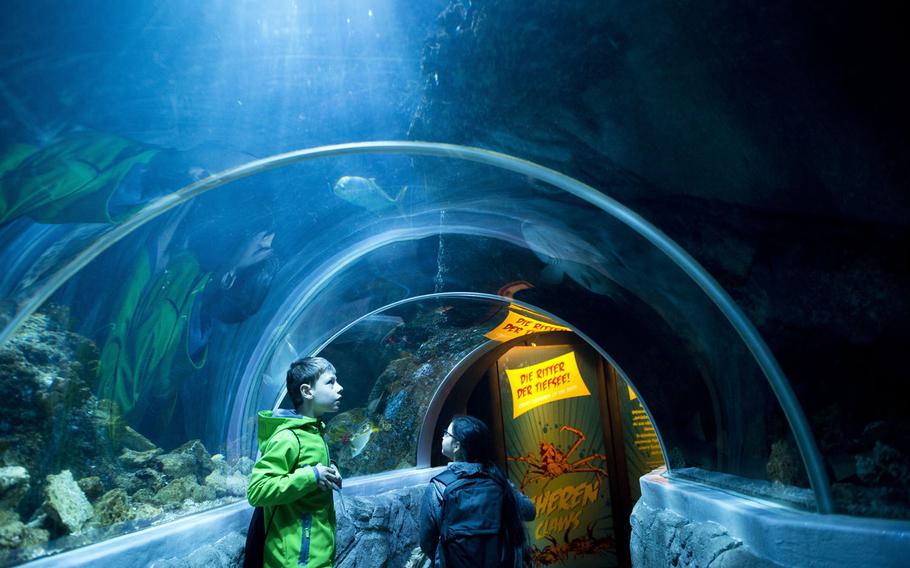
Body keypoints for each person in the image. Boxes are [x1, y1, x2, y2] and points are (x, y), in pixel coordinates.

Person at [247, 357, 344, 568]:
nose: (339, 388)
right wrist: (312, 476)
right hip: (293, 561)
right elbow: (257, 490)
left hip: (316, 556)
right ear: (307, 391)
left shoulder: (314, 431)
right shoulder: (288, 438)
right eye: (330, 382)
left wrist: (329, 473)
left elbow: (305, 470)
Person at [419, 415, 536, 568]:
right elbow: (529, 511)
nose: (442, 436)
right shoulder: (498, 481)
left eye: (446, 434)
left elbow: (427, 542)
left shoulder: (438, 487)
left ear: (456, 446)